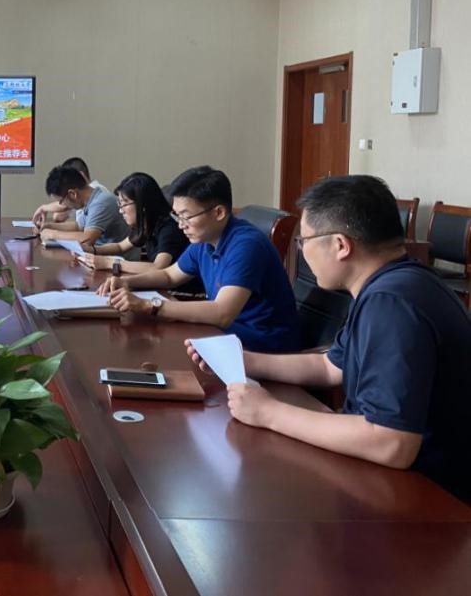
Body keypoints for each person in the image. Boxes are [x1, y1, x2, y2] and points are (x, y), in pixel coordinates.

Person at [187, 175, 471, 503]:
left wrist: (268, 412)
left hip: (430, 501)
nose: (302, 251)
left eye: (304, 240)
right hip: (391, 481)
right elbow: (328, 367)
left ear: (340, 245)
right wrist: (241, 361)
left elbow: (392, 442)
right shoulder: (394, 284)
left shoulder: (391, 302)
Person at [99, 166, 300, 352]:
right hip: (226, 333)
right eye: (177, 216)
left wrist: (149, 305)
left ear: (218, 212)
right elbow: (169, 276)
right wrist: (126, 282)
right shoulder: (204, 240)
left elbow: (222, 312)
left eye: (186, 216)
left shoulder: (246, 245)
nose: (180, 225)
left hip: (263, 344)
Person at [78, 172, 192, 276]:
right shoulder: (146, 223)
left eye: (124, 204)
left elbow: (158, 267)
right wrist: (88, 250)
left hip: (179, 290)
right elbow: (120, 246)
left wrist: (110, 263)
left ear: (142, 204)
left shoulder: (169, 228)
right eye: (119, 204)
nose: (121, 210)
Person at [39, 165, 129, 246]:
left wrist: (53, 234)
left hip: (116, 258)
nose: (62, 205)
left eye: (61, 201)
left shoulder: (101, 202)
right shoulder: (90, 200)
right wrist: (49, 226)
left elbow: (87, 240)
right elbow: (79, 226)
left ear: (72, 194)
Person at [31, 156, 105, 229]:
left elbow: (85, 234)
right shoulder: (79, 198)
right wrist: (47, 226)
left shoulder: (96, 196)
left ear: (81, 175)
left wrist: (50, 232)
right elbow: (60, 217)